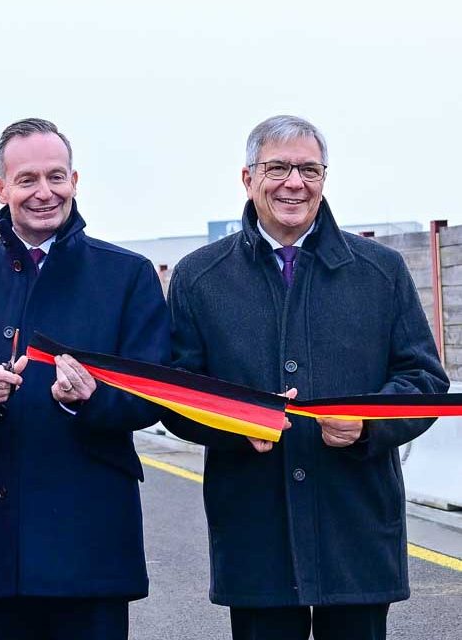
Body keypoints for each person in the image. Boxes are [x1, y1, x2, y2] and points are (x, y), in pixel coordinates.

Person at [162, 114, 448, 640]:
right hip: (255, 530)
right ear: (247, 179)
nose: (295, 182)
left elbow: (424, 379)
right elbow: (177, 391)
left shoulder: (380, 272)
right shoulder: (199, 277)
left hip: (355, 527)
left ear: (324, 178)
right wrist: (233, 423)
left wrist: (368, 424)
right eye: (278, 167)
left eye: (309, 169)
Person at [0, 117, 170, 640]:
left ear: (75, 180)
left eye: (56, 176)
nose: (44, 192)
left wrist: (91, 398)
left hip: (91, 536)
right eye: (27, 180)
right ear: (0, 190)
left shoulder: (126, 275)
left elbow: (155, 391)